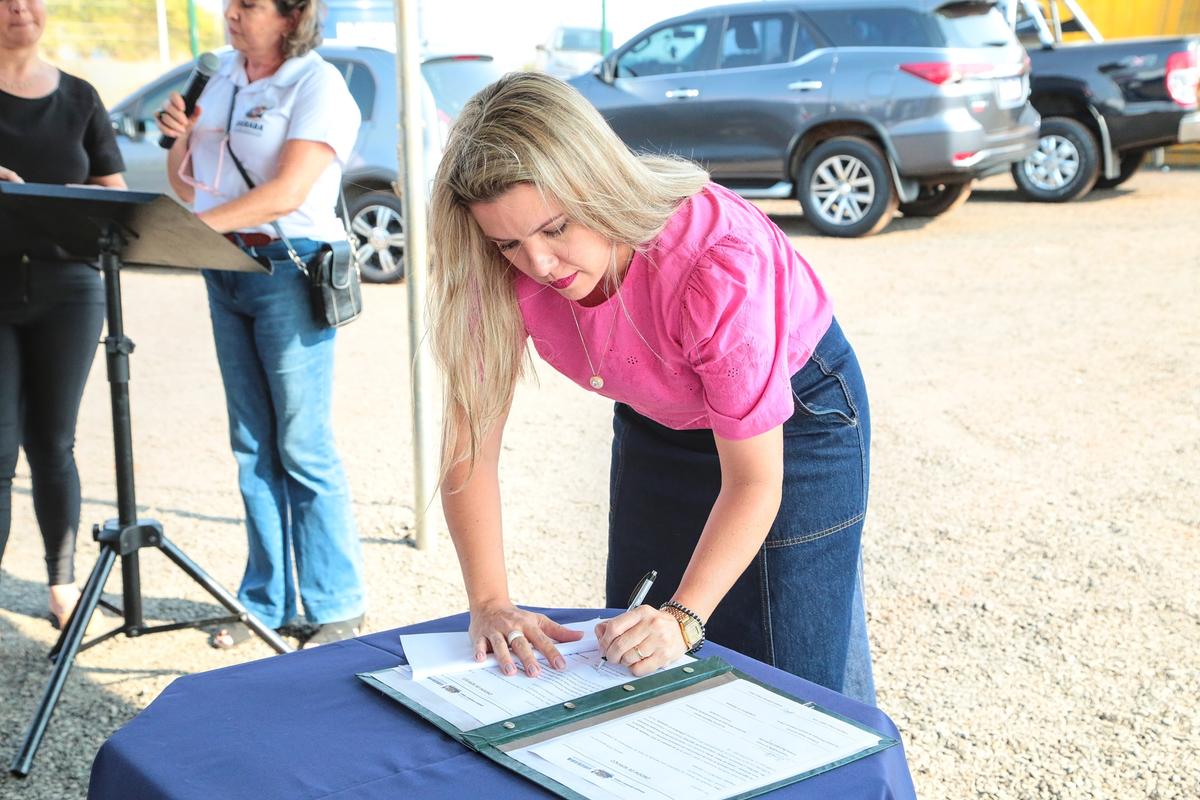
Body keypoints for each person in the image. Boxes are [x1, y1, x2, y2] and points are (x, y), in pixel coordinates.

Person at [428, 72, 877, 702]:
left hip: (794, 415)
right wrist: (490, 602)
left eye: (556, 228)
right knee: (635, 654)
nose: (540, 266)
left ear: (598, 184)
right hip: (660, 412)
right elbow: (468, 445)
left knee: (791, 672)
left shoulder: (718, 261)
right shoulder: (491, 268)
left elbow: (754, 480)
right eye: (509, 243)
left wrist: (685, 618)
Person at [154, 0, 365, 648]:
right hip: (225, 268)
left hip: (288, 268)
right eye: (231, 3)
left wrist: (185, 233)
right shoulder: (219, 80)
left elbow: (287, 193)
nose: (231, 14)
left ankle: (335, 606)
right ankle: (264, 603)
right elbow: (190, 189)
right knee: (251, 445)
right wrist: (183, 137)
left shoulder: (315, 83)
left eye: (249, 4)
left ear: (292, 15)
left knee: (301, 443)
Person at [0, 0, 125, 630]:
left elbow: (116, 199)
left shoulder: (80, 97)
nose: (20, 8)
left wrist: (64, 200)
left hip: (71, 291)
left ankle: (62, 584)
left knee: (53, 443)